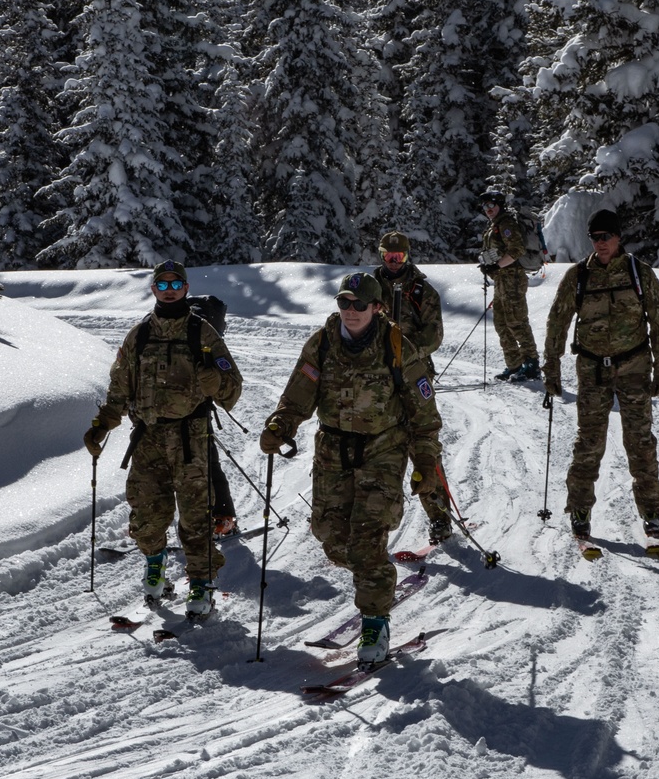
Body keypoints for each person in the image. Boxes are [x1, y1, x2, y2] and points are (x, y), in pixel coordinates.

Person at [259, 272, 442, 664]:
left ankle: (375, 622)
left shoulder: (397, 347)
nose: (351, 311)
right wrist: (281, 424)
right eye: (345, 302)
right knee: (330, 535)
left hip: (384, 450)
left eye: (360, 304)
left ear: (377, 308)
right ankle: (370, 573)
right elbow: (297, 396)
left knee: (366, 539)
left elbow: (424, 416)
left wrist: (425, 462)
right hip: (332, 451)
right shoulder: (323, 343)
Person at [83, 260, 243, 617]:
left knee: (196, 518)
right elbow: (119, 388)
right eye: (163, 285)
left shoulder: (203, 334)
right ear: (153, 289)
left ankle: (201, 586)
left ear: (185, 288)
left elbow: (233, 389)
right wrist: (102, 425)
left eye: (176, 285)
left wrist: (212, 381)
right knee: (147, 513)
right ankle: (155, 568)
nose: (169, 292)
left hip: (190, 439)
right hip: (148, 439)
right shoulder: (138, 335)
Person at [542, 209, 659, 549]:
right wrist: (551, 368)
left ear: (618, 238)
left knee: (640, 442)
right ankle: (580, 510)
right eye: (594, 238)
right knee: (589, 442)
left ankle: (652, 512)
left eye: (605, 237)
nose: (600, 244)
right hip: (592, 369)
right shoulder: (578, 276)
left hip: (633, 367)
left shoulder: (638, 273)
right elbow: (557, 322)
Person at [373, 230, 452, 544]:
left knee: (421, 443)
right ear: (381, 256)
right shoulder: (368, 288)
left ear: (407, 257)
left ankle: (439, 517)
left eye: (400, 257)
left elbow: (434, 335)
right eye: (389, 257)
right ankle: (373, 521)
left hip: (412, 373)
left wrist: (405, 349)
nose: (394, 263)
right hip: (374, 376)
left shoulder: (421, 291)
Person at [479, 190, 540, 382]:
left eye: (492, 205)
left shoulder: (506, 224)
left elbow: (517, 249)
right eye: (485, 206)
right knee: (501, 323)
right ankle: (514, 365)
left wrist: (496, 265)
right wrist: (490, 266)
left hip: (512, 279)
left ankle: (531, 365)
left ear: (500, 205)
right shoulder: (494, 226)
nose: (488, 209)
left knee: (517, 321)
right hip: (501, 280)